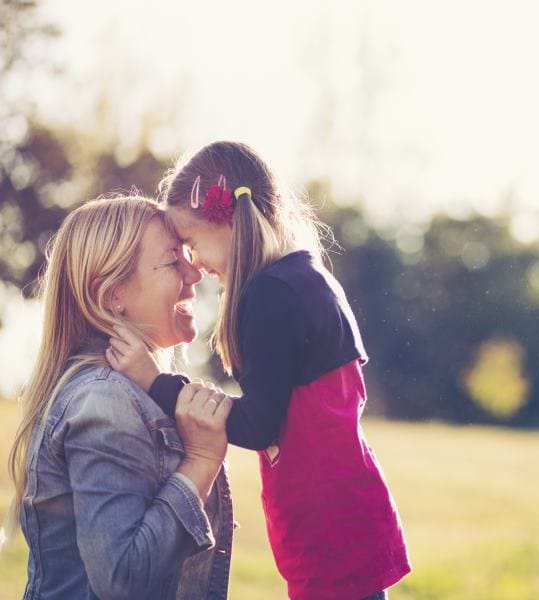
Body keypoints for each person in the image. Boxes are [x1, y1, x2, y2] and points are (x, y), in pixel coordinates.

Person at [109, 141, 411, 600]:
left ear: (227, 219)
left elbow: (258, 424)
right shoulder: (305, 277)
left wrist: (156, 382)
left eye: (190, 243)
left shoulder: (270, 294)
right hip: (345, 508)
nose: (194, 266)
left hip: (327, 521)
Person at [5, 196, 234, 599]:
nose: (194, 274)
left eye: (187, 254)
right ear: (111, 295)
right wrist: (199, 463)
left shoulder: (131, 393)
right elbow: (124, 581)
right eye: (171, 260)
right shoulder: (104, 401)